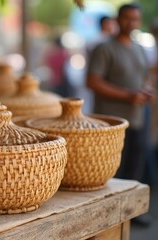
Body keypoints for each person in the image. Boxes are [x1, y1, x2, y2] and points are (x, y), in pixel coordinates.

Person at [87, 3, 155, 225]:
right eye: (127, 18)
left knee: (136, 165)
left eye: (135, 19)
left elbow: (144, 76)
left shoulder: (139, 48)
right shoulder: (104, 49)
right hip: (112, 121)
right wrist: (127, 95)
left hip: (137, 115)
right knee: (111, 170)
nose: (131, 23)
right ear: (118, 19)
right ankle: (108, 217)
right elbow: (92, 82)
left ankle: (131, 212)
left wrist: (145, 90)